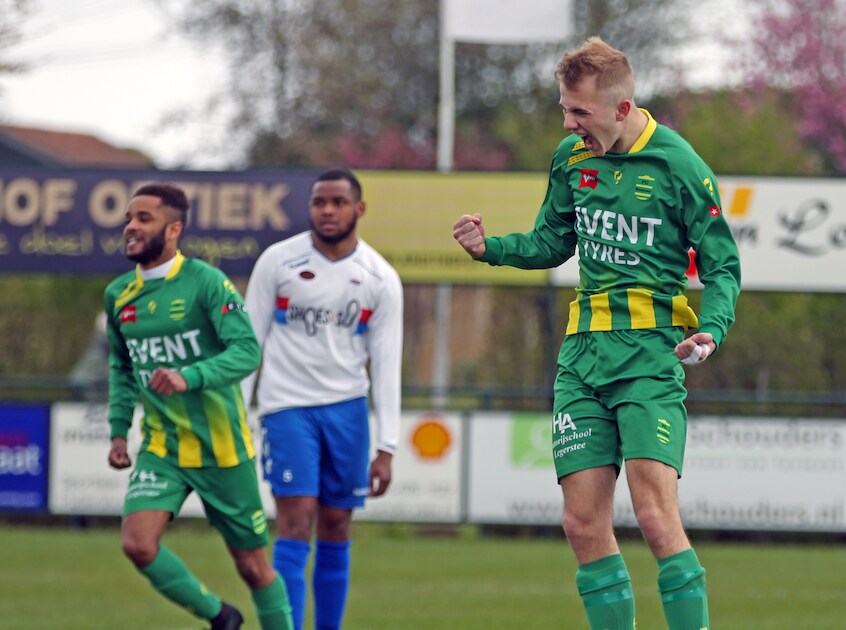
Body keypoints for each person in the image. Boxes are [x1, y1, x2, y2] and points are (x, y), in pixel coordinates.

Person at [453, 37, 741, 630]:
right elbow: (550, 242)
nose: (569, 124)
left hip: (650, 356)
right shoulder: (571, 159)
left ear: (621, 107)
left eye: (579, 112)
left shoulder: (680, 166)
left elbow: (723, 268)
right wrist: (490, 248)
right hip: (581, 359)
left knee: (655, 517)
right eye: (565, 109)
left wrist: (711, 331)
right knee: (582, 525)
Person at [105, 183, 293, 630]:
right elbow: (122, 367)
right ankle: (221, 616)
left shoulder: (206, 282)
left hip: (222, 449)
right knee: (137, 544)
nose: (131, 227)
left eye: (144, 218)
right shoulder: (118, 295)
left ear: (174, 229)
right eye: (129, 218)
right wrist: (118, 430)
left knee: (254, 568)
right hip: (163, 449)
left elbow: (247, 351)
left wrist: (188, 376)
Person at [241, 168, 403, 630]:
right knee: (295, 521)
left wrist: (387, 446)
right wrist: (237, 413)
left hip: (347, 410)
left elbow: (386, 364)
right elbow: (248, 345)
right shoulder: (277, 262)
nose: (327, 211)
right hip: (286, 408)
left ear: (359, 209)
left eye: (338, 202)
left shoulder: (380, 278)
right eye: (319, 202)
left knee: (336, 525)